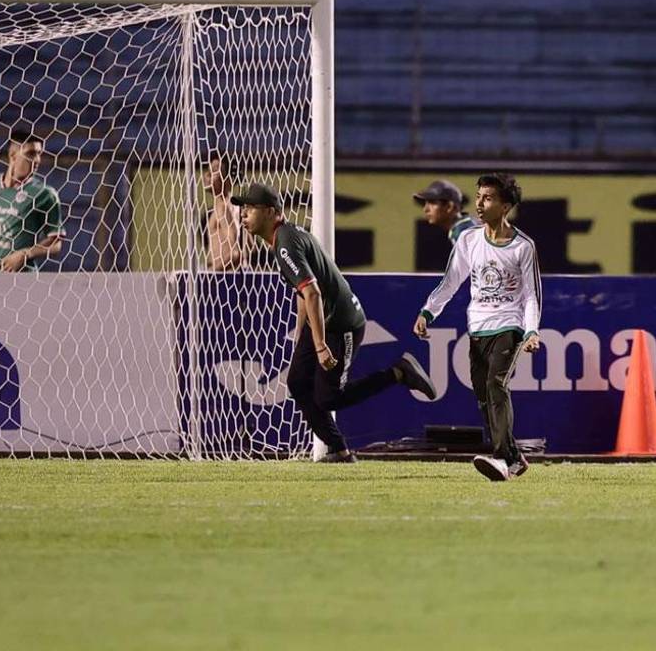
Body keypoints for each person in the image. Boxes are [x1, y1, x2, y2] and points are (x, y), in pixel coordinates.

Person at [233, 182, 436, 462]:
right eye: (242, 209)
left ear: (270, 212)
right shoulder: (287, 237)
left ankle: (399, 373)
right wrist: (304, 335)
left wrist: (318, 344)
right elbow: (304, 293)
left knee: (329, 398)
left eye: (250, 208)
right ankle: (339, 450)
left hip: (342, 324)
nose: (243, 215)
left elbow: (312, 292)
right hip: (325, 321)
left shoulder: (285, 244)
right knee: (298, 382)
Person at [413, 172, 542, 482]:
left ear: (506, 205)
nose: (480, 204)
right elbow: (451, 281)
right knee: (483, 393)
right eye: (479, 196)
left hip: (508, 325)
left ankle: (500, 457)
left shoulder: (523, 247)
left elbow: (530, 294)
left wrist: (531, 330)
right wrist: (428, 312)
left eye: (488, 198)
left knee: (497, 384)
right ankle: (513, 457)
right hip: (478, 326)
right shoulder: (469, 239)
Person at [0, 128, 64, 272]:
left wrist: (25, 254)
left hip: (24, 279)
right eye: (31, 154)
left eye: (39, 154)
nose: (37, 160)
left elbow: (56, 243)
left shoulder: (44, 194)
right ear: (13, 155)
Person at [203, 152, 244, 271]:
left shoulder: (223, 208)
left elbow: (235, 254)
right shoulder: (223, 207)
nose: (208, 175)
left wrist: (211, 273)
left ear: (227, 179)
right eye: (208, 170)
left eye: (215, 170)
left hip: (222, 279)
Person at [414, 178, 477, 244]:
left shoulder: (462, 231)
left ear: (449, 207)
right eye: (425, 203)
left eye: (432, 203)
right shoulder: (464, 226)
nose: (426, 209)